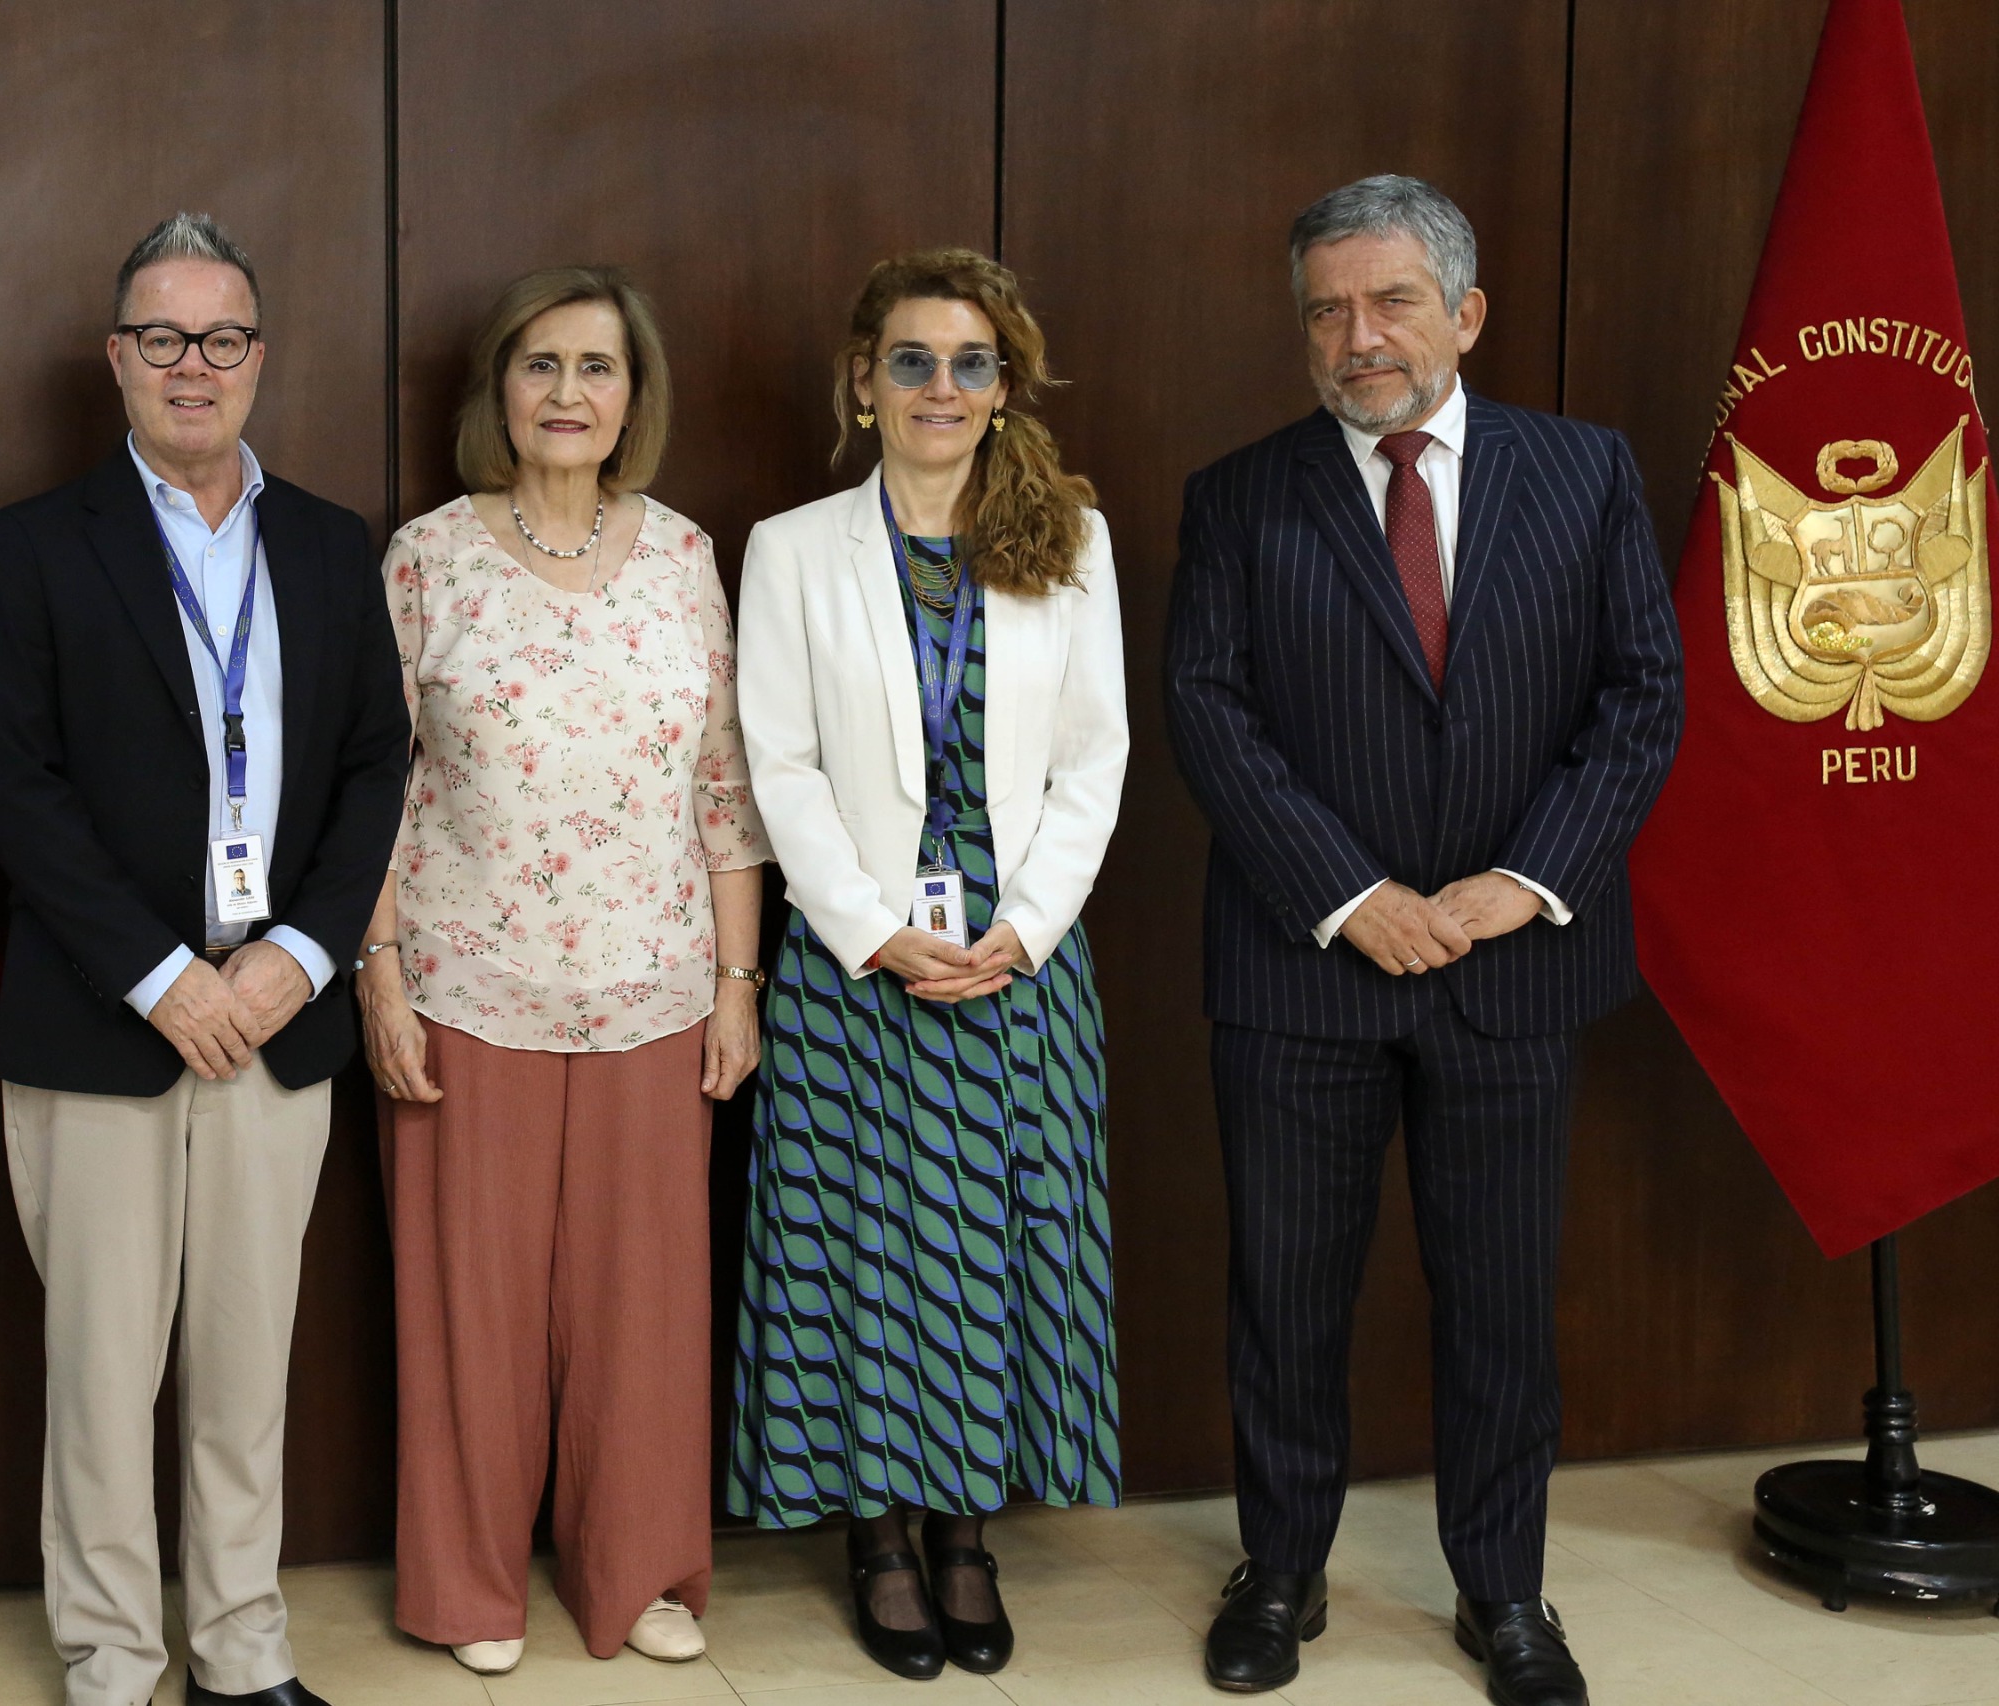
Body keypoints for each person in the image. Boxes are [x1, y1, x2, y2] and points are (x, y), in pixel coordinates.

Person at [1164, 176, 1682, 1706]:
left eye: (1390, 301)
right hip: (1301, 967)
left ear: (1465, 312)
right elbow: (1210, 708)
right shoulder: (1241, 493)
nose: (1356, 335)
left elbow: (1642, 696)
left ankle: (1507, 1591)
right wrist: (1349, 893)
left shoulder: (1584, 475)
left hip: (1517, 965)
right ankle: (1281, 1573)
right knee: (1287, 1293)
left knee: (1503, 1298)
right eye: (1326, 307)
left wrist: (1523, 882)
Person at [0, 212, 410, 1706]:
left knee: (244, 1376)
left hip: (278, 1020)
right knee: (102, 1380)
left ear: (259, 359)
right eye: (161, 337)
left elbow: (374, 765)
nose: (193, 365)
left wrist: (297, 956)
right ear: (116, 359)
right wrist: (164, 974)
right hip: (109, 1021)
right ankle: (110, 1659)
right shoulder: (37, 545)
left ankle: (241, 1650)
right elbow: (12, 787)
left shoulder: (331, 547)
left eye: (221, 337)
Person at [361, 267, 772, 1676]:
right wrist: (376, 970)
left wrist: (736, 981)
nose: (569, 394)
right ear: (501, 389)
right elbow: (370, 785)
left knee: (642, 1312)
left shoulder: (682, 554)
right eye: (541, 365)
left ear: (632, 398)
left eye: (597, 368)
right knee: (469, 1308)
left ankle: (639, 1570)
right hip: (466, 983)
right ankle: (472, 1581)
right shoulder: (427, 556)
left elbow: (723, 781)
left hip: (655, 991)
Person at [728, 248, 1129, 1681]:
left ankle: (970, 1532)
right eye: (911, 360)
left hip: (1022, 966)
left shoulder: (1069, 540)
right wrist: (864, 921)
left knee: (996, 1250)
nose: (940, 387)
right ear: (863, 381)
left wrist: (1023, 926)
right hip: (857, 966)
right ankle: (879, 1537)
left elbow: (1096, 759)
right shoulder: (790, 547)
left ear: (1004, 386)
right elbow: (773, 756)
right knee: (865, 1257)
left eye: (969, 363)